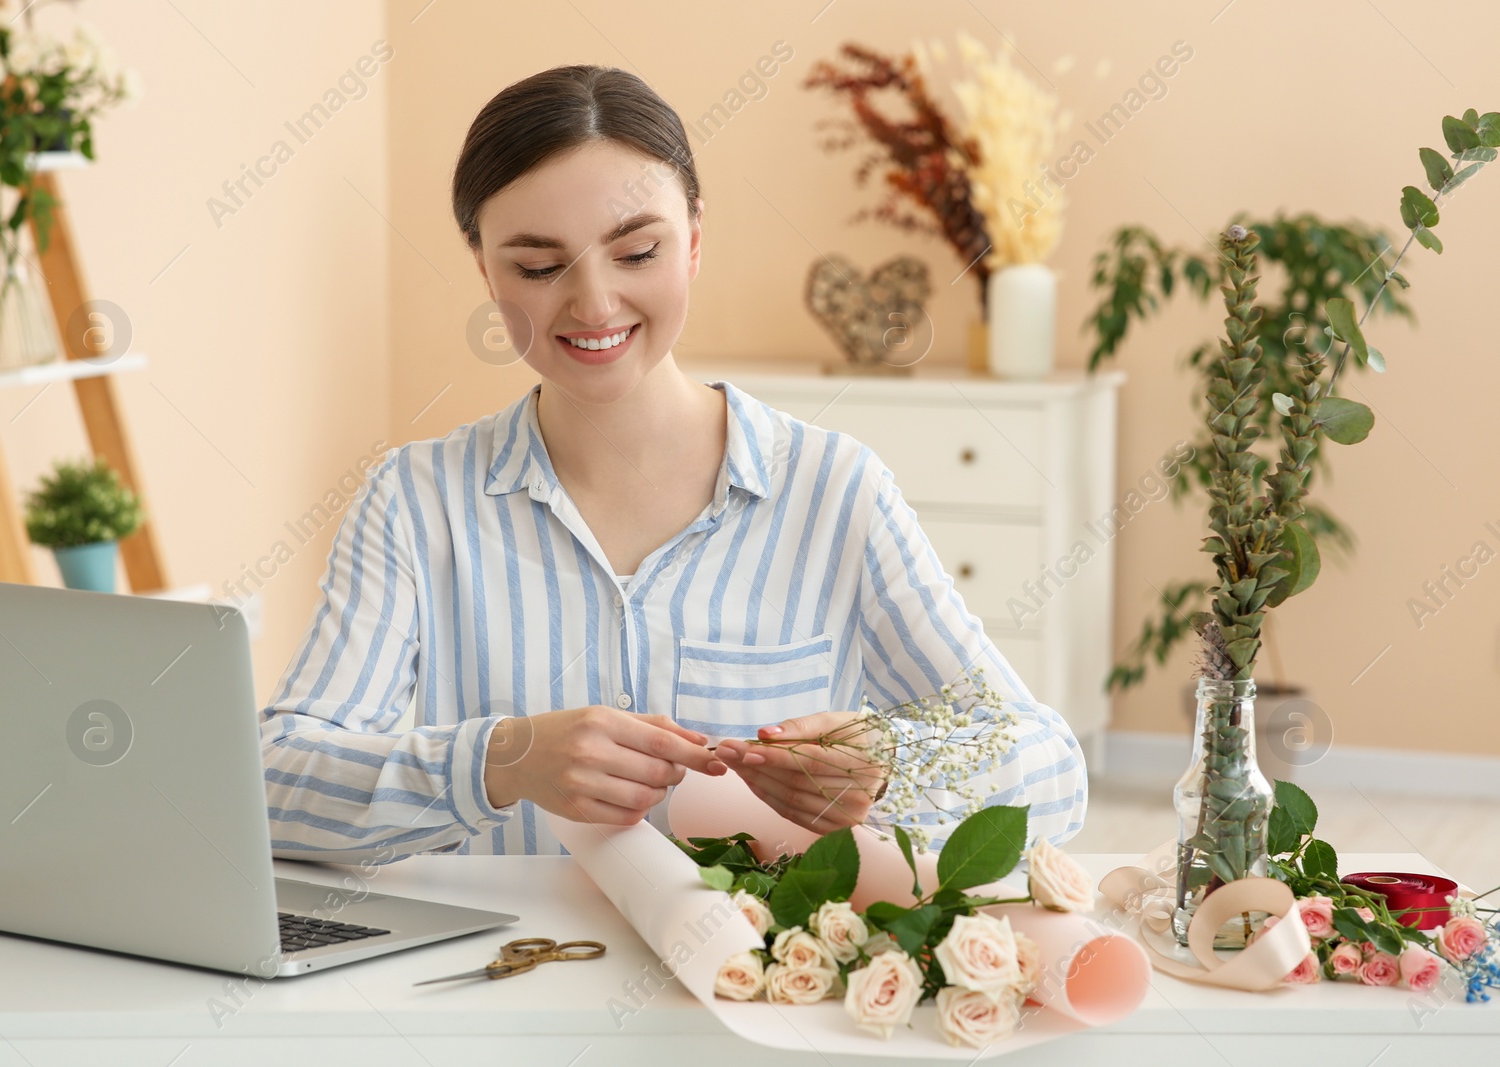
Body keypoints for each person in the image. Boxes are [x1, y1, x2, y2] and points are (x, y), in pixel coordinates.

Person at [259, 64, 1086, 864]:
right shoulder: (416, 501)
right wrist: (497, 763)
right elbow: (270, 783)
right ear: (486, 271)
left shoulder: (835, 491)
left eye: (637, 252)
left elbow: (1053, 770)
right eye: (539, 267)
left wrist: (891, 762)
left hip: (752, 992)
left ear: (693, 238)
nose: (593, 304)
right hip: (504, 988)